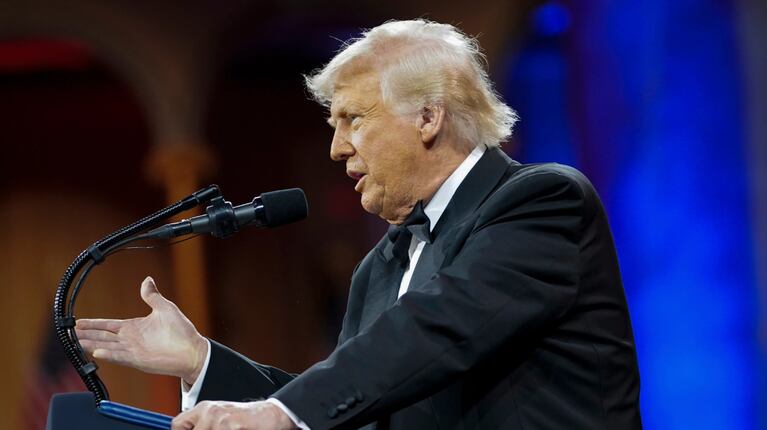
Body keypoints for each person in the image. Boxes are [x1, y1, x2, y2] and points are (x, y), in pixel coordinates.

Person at [76, 19, 642, 429]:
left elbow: (437, 328)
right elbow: (353, 403)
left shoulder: (542, 202)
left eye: (353, 119)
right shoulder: (382, 265)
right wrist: (202, 362)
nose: (336, 147)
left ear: (428, 116)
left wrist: (284, 413)